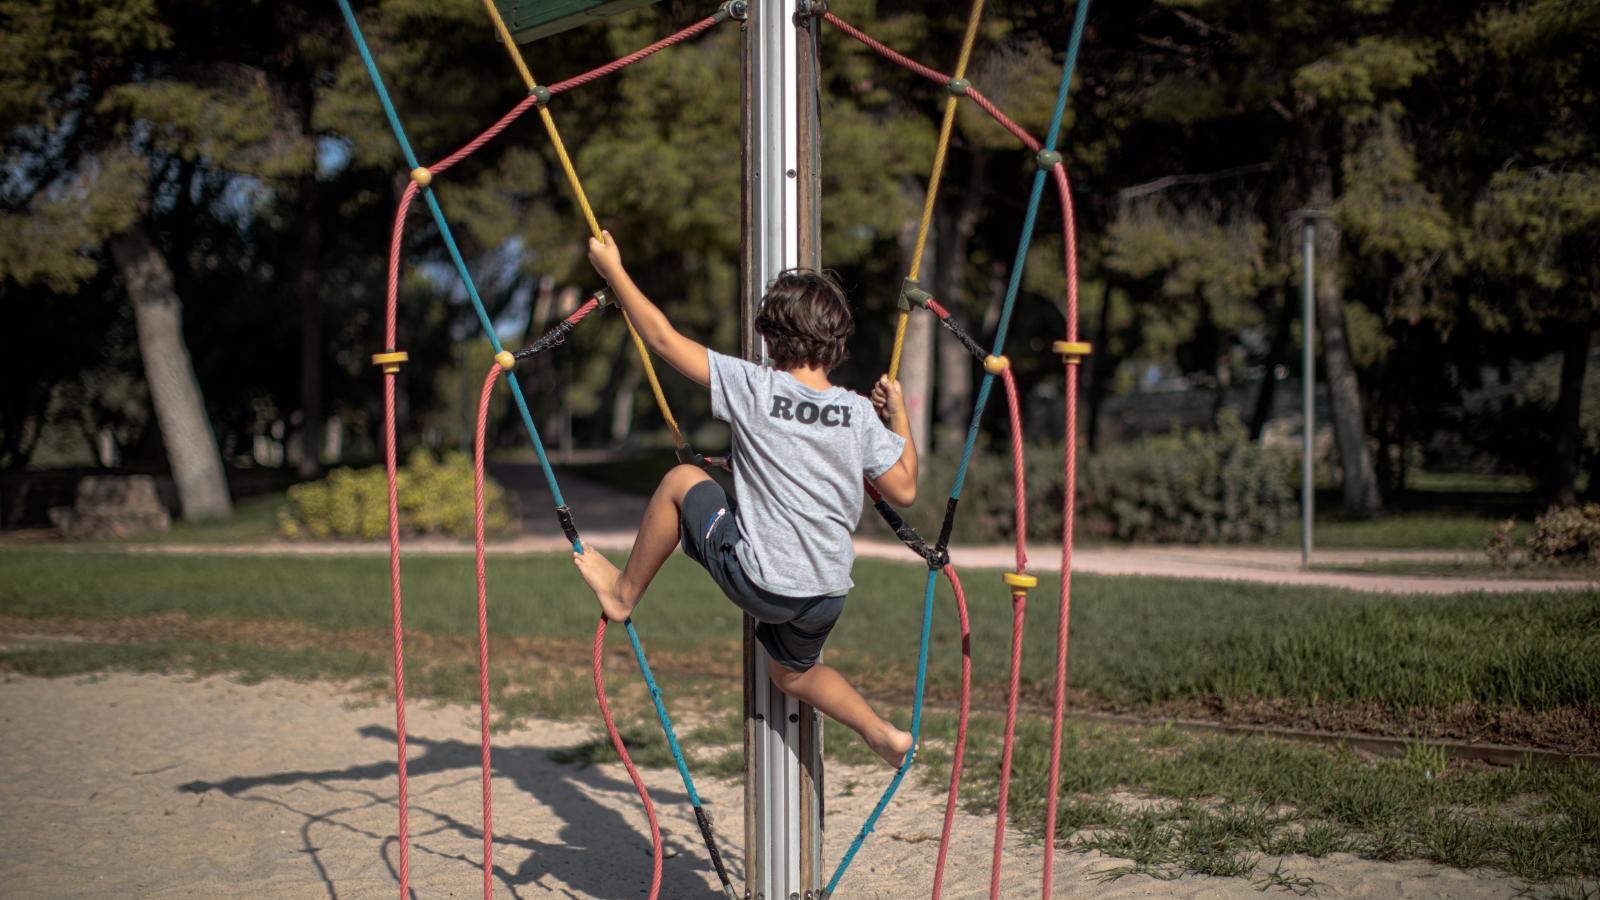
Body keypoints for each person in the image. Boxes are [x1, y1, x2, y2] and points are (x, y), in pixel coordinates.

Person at [574, 231, 919, 767]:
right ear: (838, 341)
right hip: (827, 592)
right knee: (793, 673)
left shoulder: (755, 386)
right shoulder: (855, 413)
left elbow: (662, 340)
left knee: (682, 480)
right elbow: (906, 488)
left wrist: (613, 272)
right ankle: (879, 732)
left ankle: (622, 593)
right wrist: (897, 415)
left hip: (765, 581)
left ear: (770, 337)